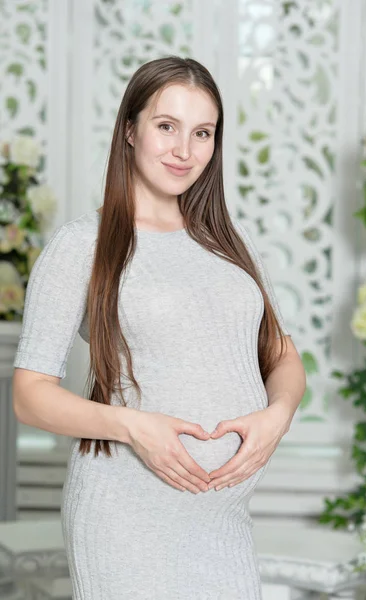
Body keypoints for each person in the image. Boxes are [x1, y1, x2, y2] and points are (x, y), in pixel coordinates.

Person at [12, 56, 306, 600]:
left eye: (203, 133)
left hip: (223, 524)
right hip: (125, 517)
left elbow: (283, 356)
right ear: (130, 129)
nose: (184, 150)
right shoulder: (83, 246)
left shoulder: (230, 243)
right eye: (166, 126)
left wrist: (278, 415)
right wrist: (133, 427)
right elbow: (29, 398)